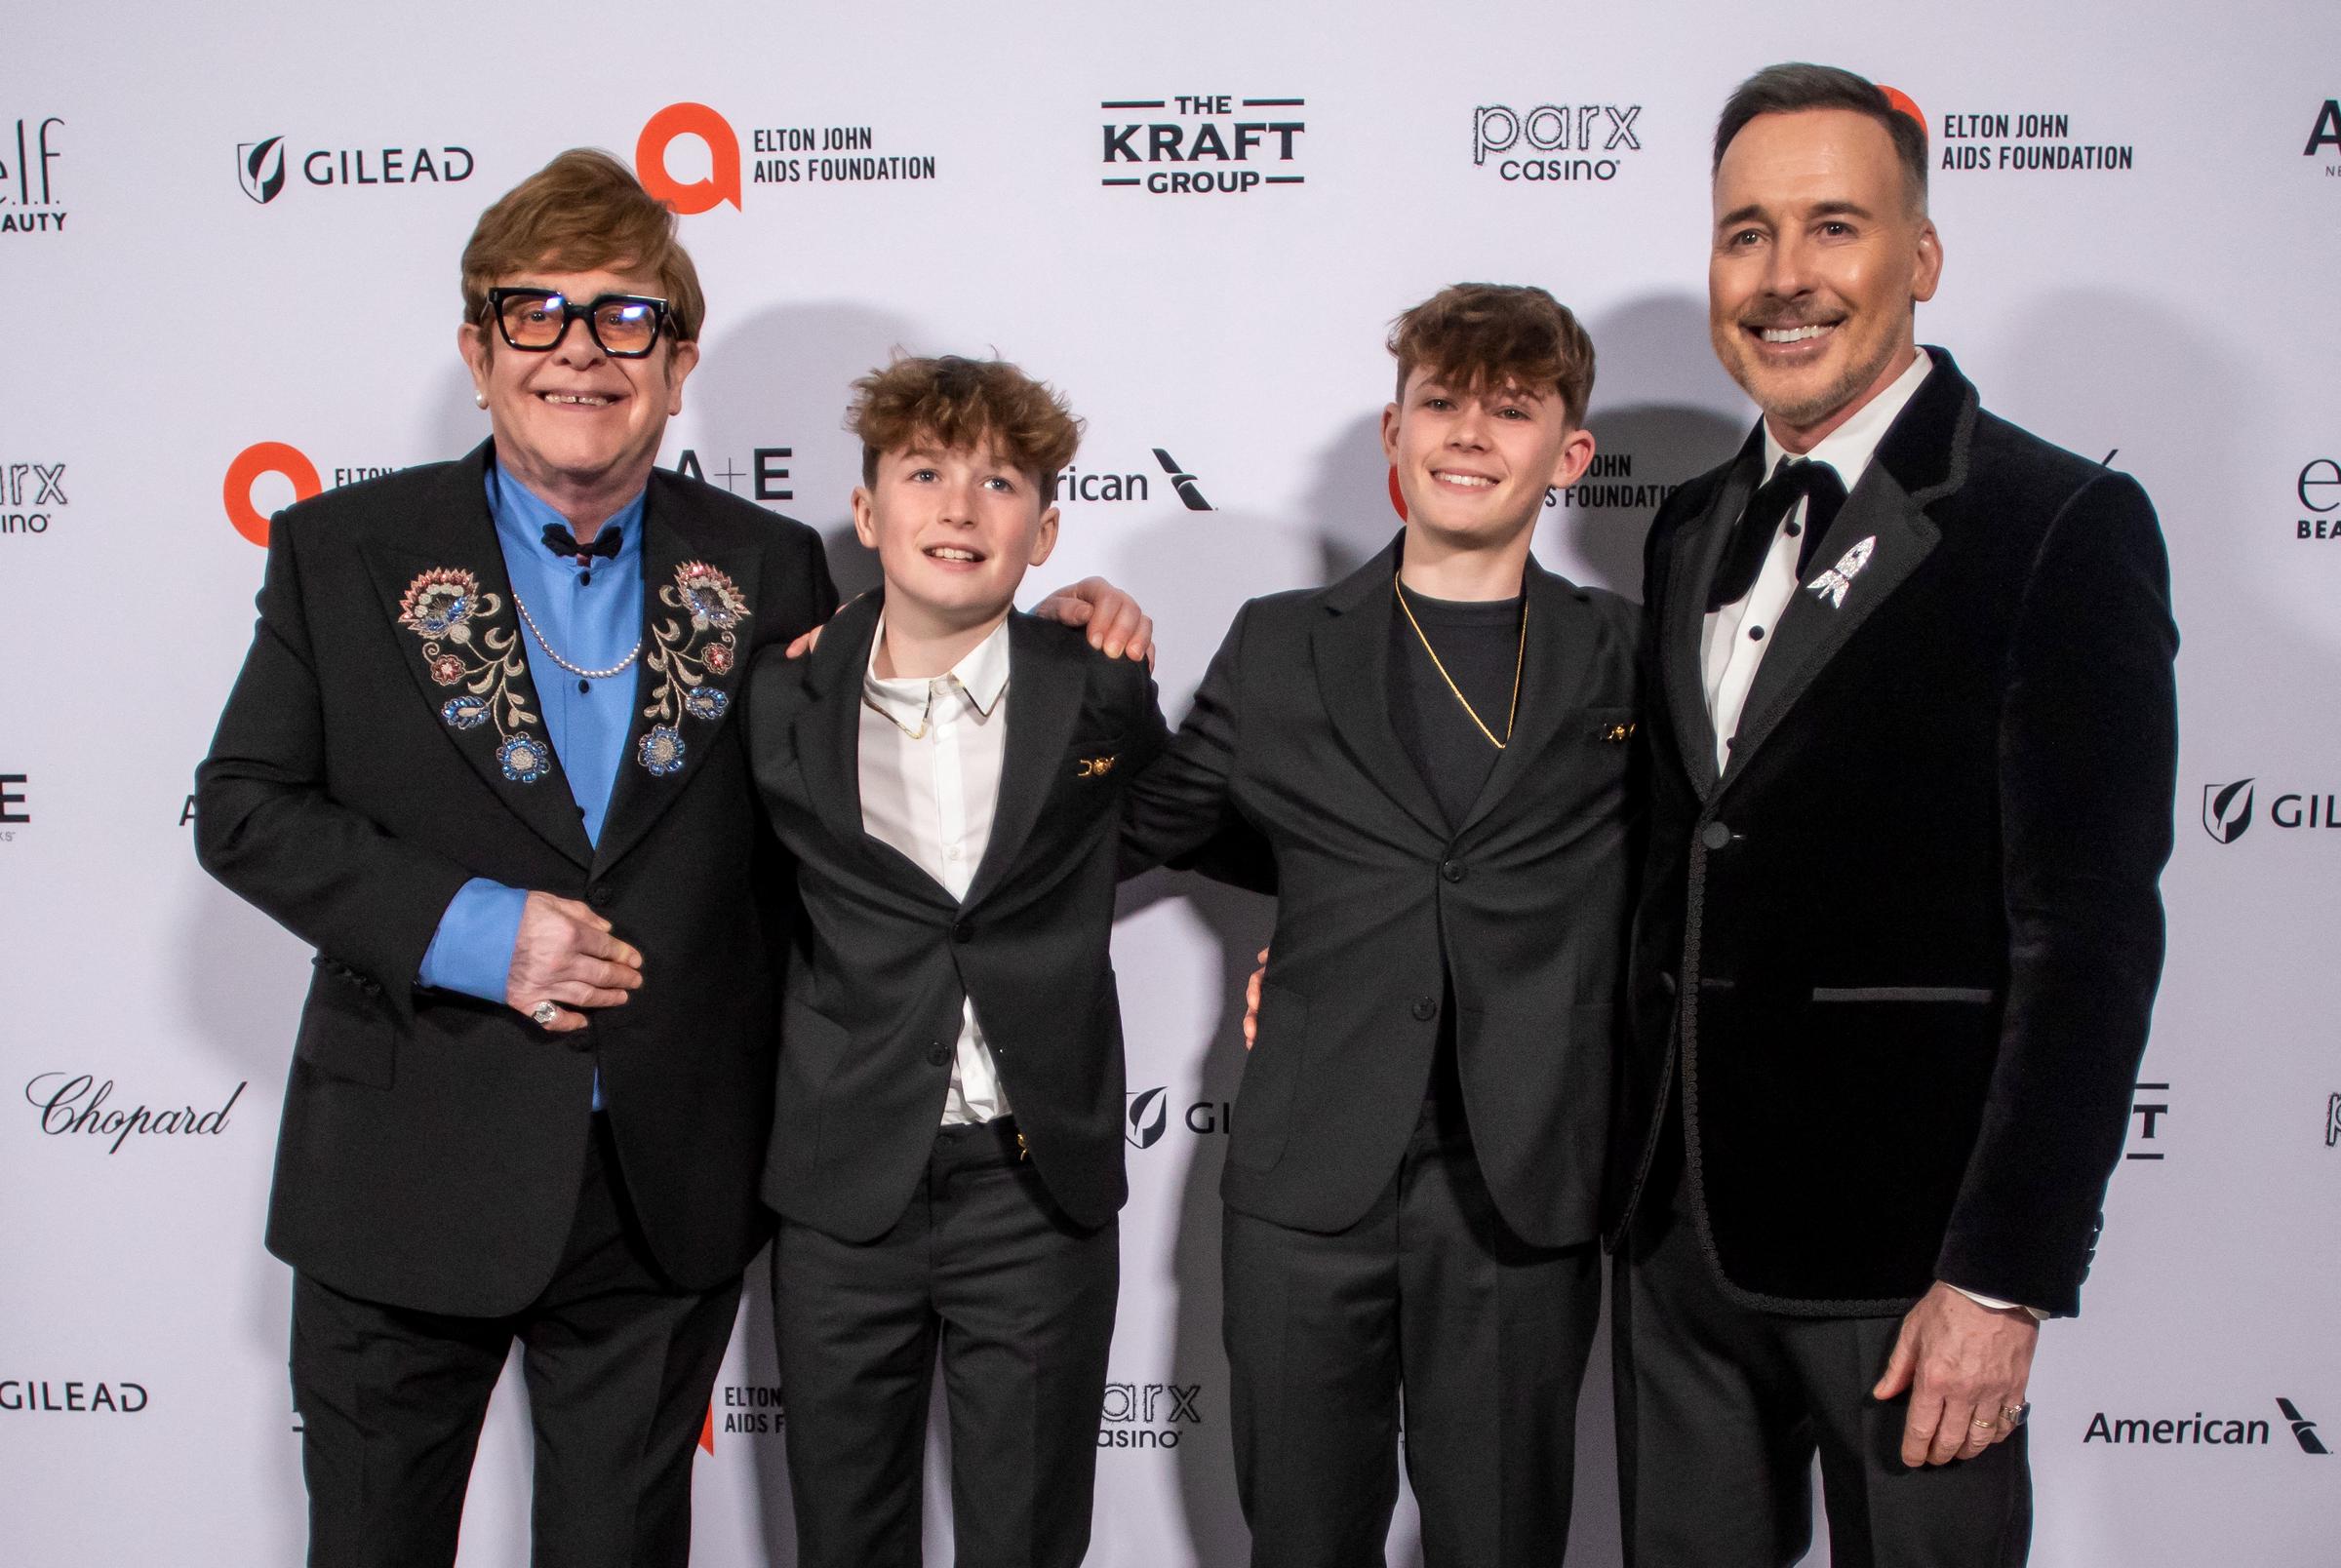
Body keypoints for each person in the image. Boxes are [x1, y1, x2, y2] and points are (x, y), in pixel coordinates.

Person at [192, 150, 1148, 1568]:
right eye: (538, 314)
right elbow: (246, 807)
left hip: (662, 1189)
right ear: (477, 350)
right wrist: (472, 926)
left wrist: (1059, 632)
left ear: (679, 361)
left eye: (626, 318)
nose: (581, 351)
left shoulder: (767, 569)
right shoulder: (344, 549)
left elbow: (883, 763)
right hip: (405, 1174)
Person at [1607, 63, 2178, 1567]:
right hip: (1673, 1243)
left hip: (1911, 1268)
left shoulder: (2056, 524)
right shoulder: (1685, 528)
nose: (1784, 277)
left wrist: (2004, 1280)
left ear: (1919, 260)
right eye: (1745, 234)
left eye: (1833, 227)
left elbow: (2095, 937)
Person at [1125, 283, 1643, 1566]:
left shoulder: (1626, 654)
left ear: (1568, 455)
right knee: (1301, 1541)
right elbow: (1152, 826)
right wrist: (1056, 681)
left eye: (1511, 409)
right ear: (1393, 433)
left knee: (1504, 1542)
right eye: (1442, 403)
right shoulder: (1284, 643)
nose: (1470, 434)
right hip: (1308, 1183)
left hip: (1521, 1187)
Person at [744, 354, 1166, 1568]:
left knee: (1028, 1543)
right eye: (925, 473)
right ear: (870, 513)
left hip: (1033, 1191)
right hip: (842, 1192)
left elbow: (1193, 821)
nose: (960, 506)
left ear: (1044, 530)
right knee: (845, 1538)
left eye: (1001, 481)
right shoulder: (777, 702)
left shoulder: (1101, 689)